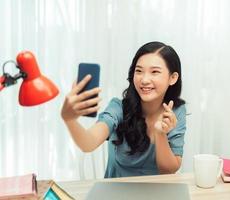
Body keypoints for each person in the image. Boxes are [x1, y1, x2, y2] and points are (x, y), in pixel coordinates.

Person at [61, 41, 186, 178]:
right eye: (139, 71)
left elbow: (168, 170)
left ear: (172, 78)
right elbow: (88, 143)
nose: (144, 80)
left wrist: (160, 133)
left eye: (154, 72)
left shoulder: (176, 111)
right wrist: (70, 120)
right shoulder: (118, 108)